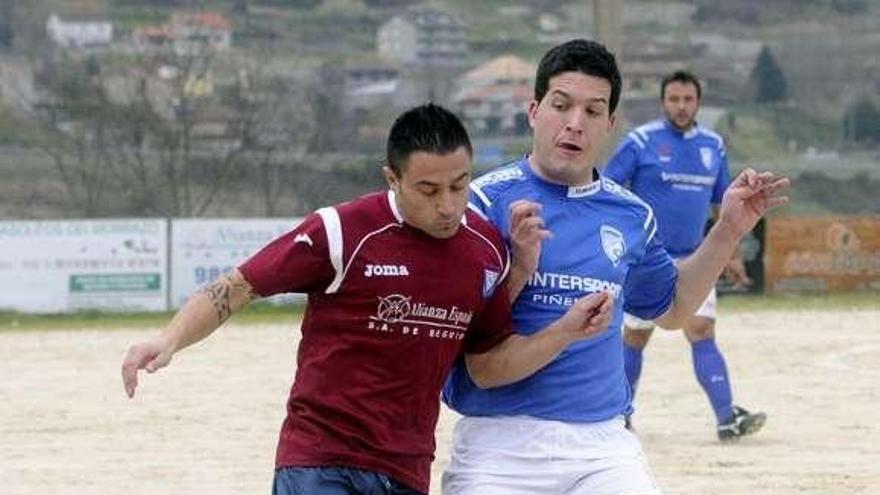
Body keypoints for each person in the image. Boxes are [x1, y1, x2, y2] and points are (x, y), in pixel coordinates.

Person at [120, 103, 615, 495]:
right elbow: (237, 286)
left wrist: (564, 327)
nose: (447, 205)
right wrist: (169, 339)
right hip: (319, 460)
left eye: (459, 185)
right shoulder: (340, 231)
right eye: (427, 189)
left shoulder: (486, 249)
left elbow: (486, 363)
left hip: (406, 469)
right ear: (392, 179)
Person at [441, 40, 789, 495]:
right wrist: (517, 271)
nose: (574, 123)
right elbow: (461, 338)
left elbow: (674, 307)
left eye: (592, 111)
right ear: (533, 111)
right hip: (499, 441)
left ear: (609, 124)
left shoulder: (631, 215)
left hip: (603, 446)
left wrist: (727, 229)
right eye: (561, 105)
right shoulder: (482, 204)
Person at [603, 70, 766, 441]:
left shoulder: (713, 146)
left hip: (697, 258)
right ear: (663, 102)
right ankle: (619, 419)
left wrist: (733, 255)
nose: (680, 106)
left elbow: (726, 208)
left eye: (687, 99)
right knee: (634, 337)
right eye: (674, 99)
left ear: (698, 103)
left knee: (702, 330)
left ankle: (727, 419)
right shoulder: (640, 141)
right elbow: (609, 189)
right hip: (647, 259)